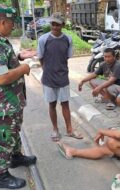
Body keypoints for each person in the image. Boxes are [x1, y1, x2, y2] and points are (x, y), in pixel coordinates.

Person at [0, 4, 37, 189]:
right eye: (12, 23)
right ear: (3, 22)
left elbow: (2, 64)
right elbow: (2, 77)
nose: (14, 26)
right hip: (2, 102)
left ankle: (15, 157)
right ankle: (1, 175)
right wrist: (24, 68)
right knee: (3, 138)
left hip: (10, 100)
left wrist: (18, 56)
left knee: (13, 130)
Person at [37, 12, 83, 141]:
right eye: (53, 24)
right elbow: (41, 58)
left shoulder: (68, 39)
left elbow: (67, 57)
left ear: (62, 25)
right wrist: (47, 70)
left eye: (57, 24)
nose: (55, 27)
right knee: (52, 104)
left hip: (63, 77)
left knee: (65, 104)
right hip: (48, 78)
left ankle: (69, 130)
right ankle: (55, 129)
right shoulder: (43, 39)